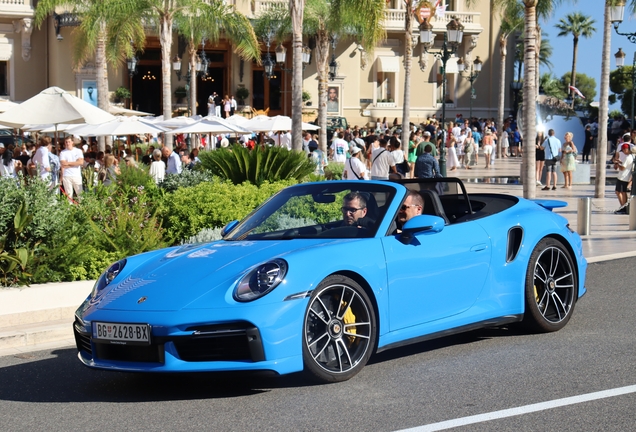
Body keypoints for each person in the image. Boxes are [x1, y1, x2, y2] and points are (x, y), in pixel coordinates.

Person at [614, 143, 633, 213]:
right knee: (623, 192)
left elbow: (622, 168)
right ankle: (624, 207)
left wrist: (617, 164)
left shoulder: (627, 158)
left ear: (626, 149)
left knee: (619, 192)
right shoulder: (632, 157)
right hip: (626, 177)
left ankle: (623, 207)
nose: (623, 152)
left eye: (623, 150)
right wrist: (619, 162)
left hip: (622, 177)